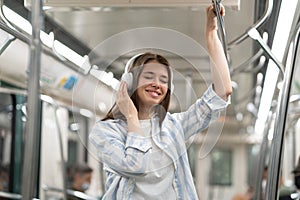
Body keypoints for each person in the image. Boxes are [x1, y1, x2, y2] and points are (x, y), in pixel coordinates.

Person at [89, 4, 232, 200]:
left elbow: (222, 92)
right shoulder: (105, 132)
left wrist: (211, 34)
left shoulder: (174, 126)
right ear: (129, 82)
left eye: (164, 80)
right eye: (149, 76)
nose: (157, 84)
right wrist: (131, 116)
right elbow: (135, 166)